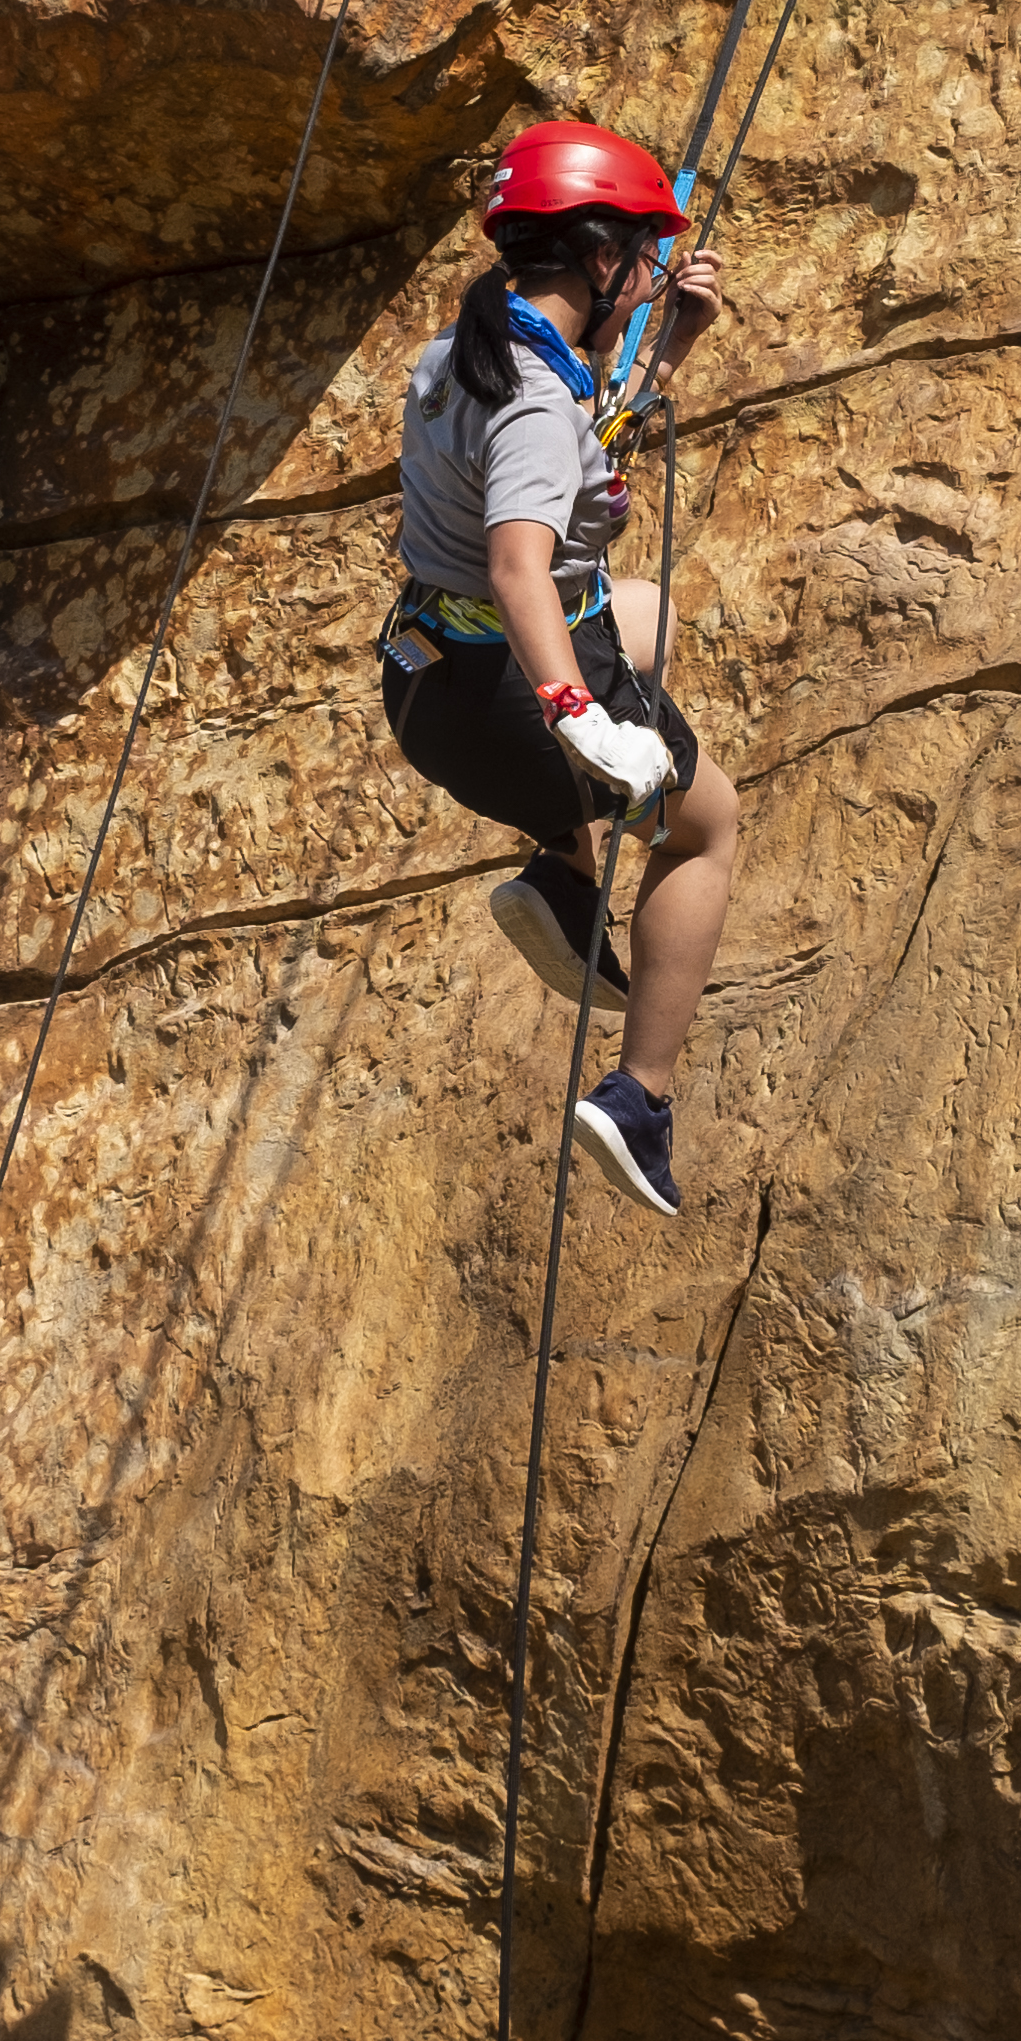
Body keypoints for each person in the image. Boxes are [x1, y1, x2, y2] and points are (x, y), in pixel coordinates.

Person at [378, 118, 745, 1218]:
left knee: (644, 608)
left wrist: (668, 343)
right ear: (597, 255)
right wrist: (579, 713)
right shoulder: (538, 393)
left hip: (424, 683)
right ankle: (640, 1097)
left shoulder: (468, 351)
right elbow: (520, 562)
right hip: (511, 704)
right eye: (640, 249)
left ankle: (566, 870)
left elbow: (574, 445)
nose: (650, 265)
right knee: (706, 827)